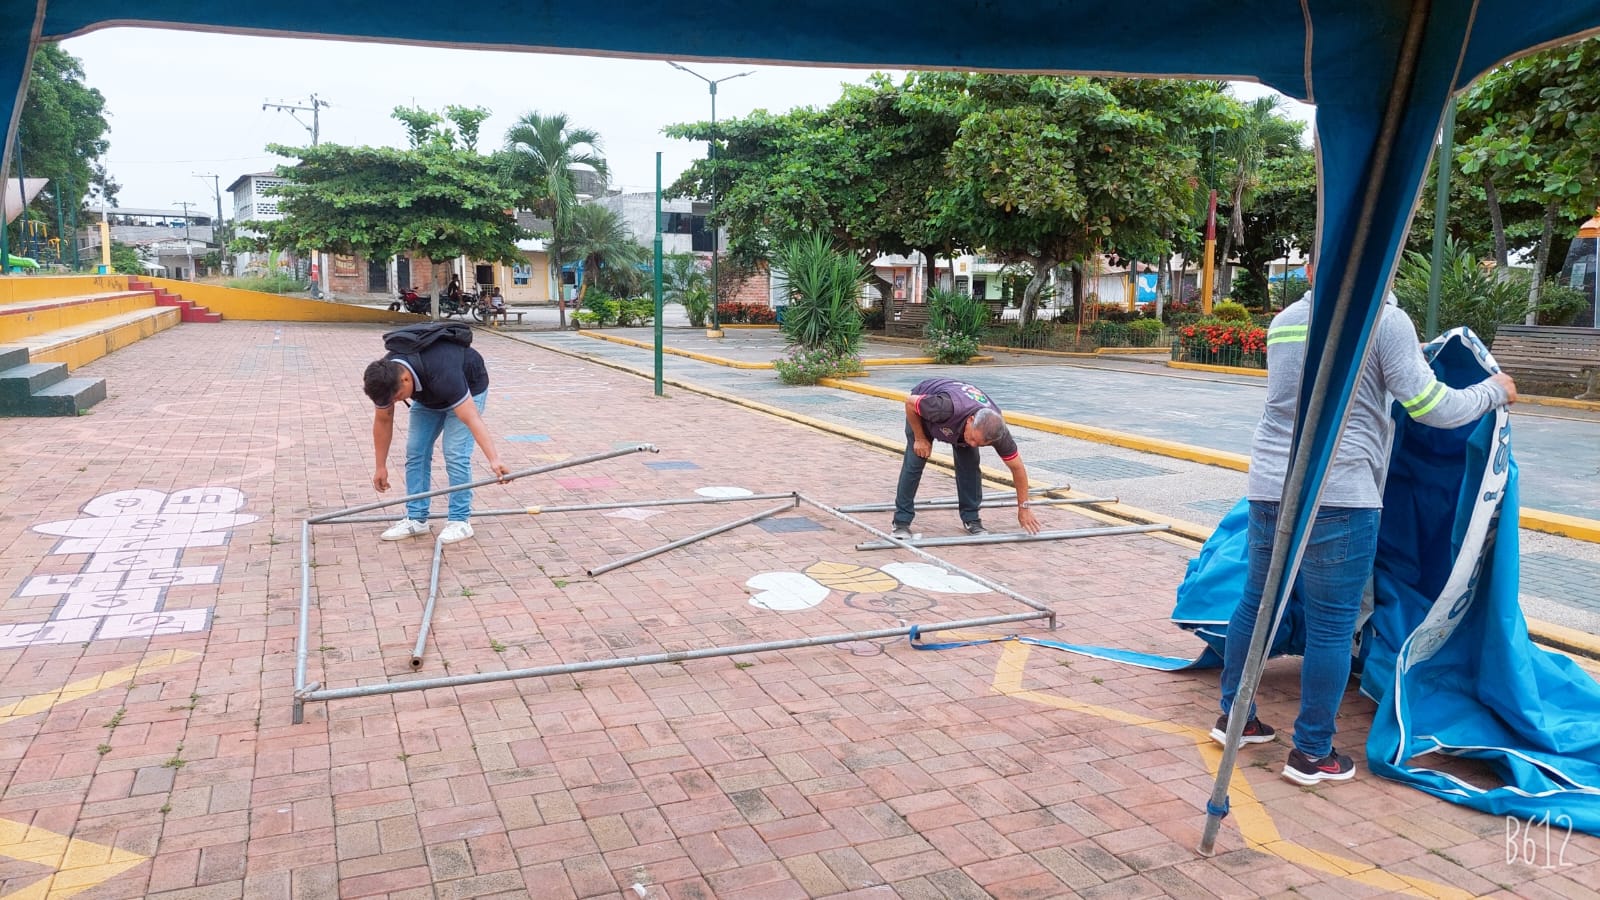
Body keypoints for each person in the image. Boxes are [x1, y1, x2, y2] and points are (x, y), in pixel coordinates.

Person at [1214, 258, 1517, 786]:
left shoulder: (1285, 321)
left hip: (1269, 485)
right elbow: (1431, 406)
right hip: (1341, 494)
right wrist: (1495, 390)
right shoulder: (1383, 321)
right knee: (1332, 624)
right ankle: (1312, 753)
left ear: (1313, 269)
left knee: (1257, 602)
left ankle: (1234, 719)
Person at [362, 330, 510, 545]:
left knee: (455, 452)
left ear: (405, 379)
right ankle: (416, 518)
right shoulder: (384, 380)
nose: (394, 402)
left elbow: (471, 418)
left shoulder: (443, 371)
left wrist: (494, 459)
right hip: (429, 397)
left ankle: (459, 521)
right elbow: (383, 421)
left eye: (397, 397)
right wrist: (380, 466)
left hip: (467, 388)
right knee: (416, 451)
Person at [893, 378, 1043, 539]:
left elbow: (1017, 468)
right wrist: (920, 438)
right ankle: (901, 522)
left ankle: (972, 519)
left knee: (970, 467)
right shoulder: (943, 408)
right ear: (971, 420)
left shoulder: (998, 432)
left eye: (979, 444)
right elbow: (910, 403)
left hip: (957, 421)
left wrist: (1024, 508)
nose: (972, 444)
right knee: (914, 464)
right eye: (972, 439)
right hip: (924, 414)